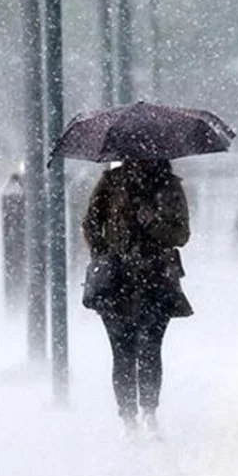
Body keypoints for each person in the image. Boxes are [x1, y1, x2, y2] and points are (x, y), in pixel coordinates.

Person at [82, 159, 192, 439]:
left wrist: (153, 222)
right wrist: (105, 254)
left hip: (156, 280)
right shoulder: (111, 183)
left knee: (150, 348)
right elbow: (91, 223)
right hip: (117, 282)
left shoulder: (170, 186)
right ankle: (128, 417)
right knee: (122, 351)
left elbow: (181, 234)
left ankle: (149, 412)